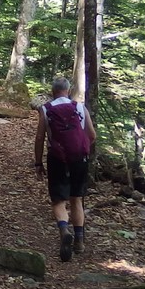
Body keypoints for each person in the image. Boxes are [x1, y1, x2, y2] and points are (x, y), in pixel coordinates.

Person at [33, 77, 97, 262]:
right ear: (68, 90)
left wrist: (38, 163)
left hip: (57, 159)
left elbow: (39, 137)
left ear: (52, 91)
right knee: (76, 199)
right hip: (79, 159)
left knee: (58, 200)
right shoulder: (79, 107)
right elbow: (92, 135)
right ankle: (79, 241)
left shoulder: (46, 109)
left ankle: (64, 230)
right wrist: (82, 148)